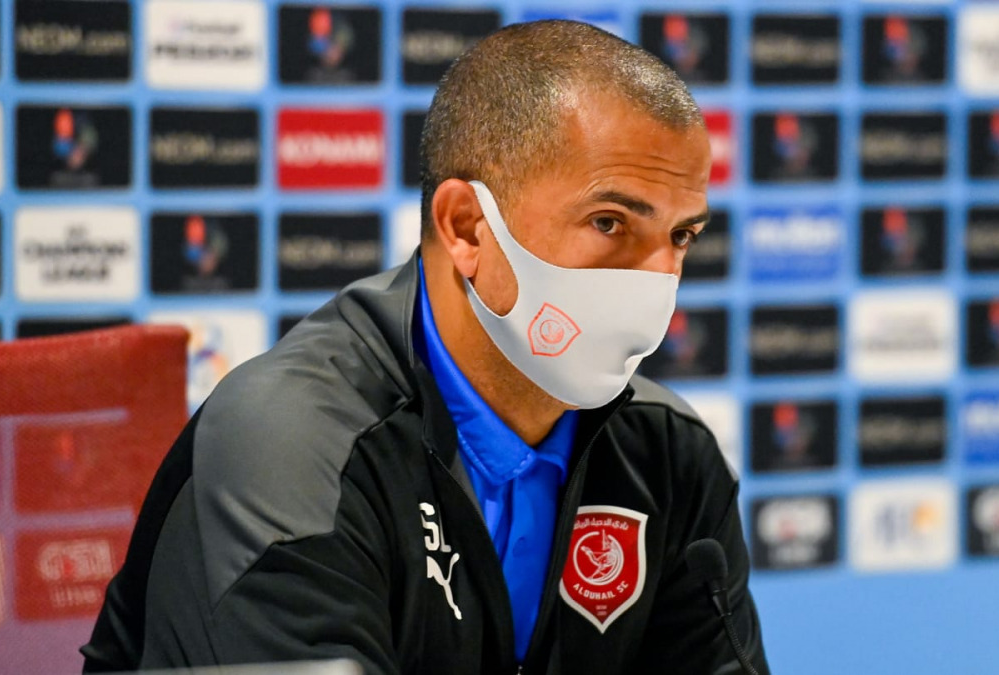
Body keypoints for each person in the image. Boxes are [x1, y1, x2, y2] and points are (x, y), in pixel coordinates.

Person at [83, 20, 768, 675]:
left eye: (681, 236)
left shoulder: (667, 455)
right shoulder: (293, 446)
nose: (659, 278)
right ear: (466, 227)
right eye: (610, 222)